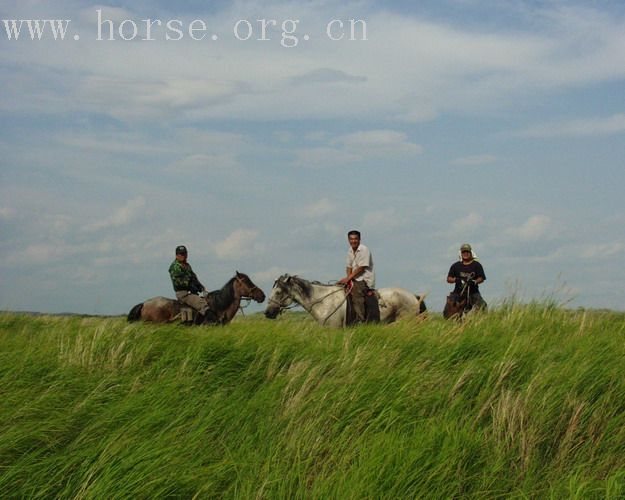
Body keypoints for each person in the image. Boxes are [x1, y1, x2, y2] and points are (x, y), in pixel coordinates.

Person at [338, 230, 375, 323]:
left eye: (355, 239)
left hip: (364, 280)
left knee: (357, 294)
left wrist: (348, 279)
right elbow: (348, 266)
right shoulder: (350, 250)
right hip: (353, 279)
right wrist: (348, 280)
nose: (353, 241)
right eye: (351, 239)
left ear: (359, 239)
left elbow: (361, 268)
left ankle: (360, 319)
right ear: (348, 240)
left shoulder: (364, 249)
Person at [168, 245, 212, 322]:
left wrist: (200, 286)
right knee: (202, 304)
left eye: (184, 254)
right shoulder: (175, 267)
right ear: (176, 255)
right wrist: (190, 285)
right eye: (181, 254)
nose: (183, 256)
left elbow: (193, 277)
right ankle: (211, 322)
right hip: (183, 293)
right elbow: (178, 282)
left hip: (190, 292)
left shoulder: (187, 266)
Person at [446, 243, 487, 310]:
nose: (465, 253)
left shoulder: (477, 265)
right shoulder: (455, 266)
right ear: (461, 254)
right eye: (463, 252)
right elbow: (448, 279)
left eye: (467, 252)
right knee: (449, 308)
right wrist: (456, 280)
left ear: (471, 253)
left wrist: (474, 282)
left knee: (482, 307)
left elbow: (481, 278)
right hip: (458, 292)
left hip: (473, 292)